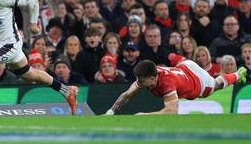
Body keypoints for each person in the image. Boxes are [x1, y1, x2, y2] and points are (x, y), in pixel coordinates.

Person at [104, 57, 248, 115]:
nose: (139, 83)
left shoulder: (166, 83)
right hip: (183, 67)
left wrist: (144, 115)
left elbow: (172, 111)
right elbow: (127, 95)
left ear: (153, 78)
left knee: (215, 85)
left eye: (141, 81)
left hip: (196, 79)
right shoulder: (147, 77)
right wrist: (110, 112)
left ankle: (238, 74)